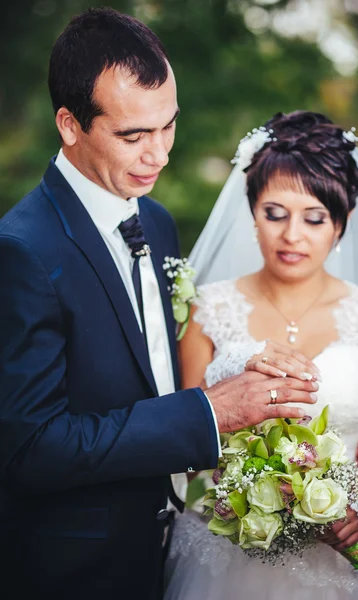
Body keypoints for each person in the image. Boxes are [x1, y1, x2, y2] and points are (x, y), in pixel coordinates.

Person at [0, 9, 320, 600]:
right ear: (69, 125)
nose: (160, 154)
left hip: (169, 553)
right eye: (133, 135)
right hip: (72, 572)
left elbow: (146, 370)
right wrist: (207, 415)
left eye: (168, 126)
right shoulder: (21, 251)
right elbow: (30, 449)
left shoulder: (157, 222)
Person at [164, 111, 358, 599]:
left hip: (344, 555)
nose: (293, 234)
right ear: (252, 212)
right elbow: (184, 445)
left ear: (343, 222)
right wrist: (244, 500)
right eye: (275, 213)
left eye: (314, 218)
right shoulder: (207, 309)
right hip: (226, 554)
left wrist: (348, 510)